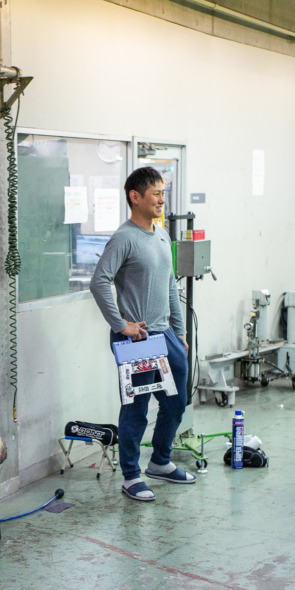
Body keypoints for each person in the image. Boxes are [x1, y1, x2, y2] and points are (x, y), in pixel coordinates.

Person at [91, 166, 196, 502]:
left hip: (166, 335)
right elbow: (99, 282)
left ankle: (160, 462)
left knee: (177, 403)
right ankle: (132, 474)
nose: (162, 200)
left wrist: (179, 332)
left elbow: (169, 285)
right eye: (156, 193)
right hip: (136, 340)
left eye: (164, 193)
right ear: (135, 197)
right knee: (136, 409)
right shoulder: (124, 238)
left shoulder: (161, 234)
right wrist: (121, 326)